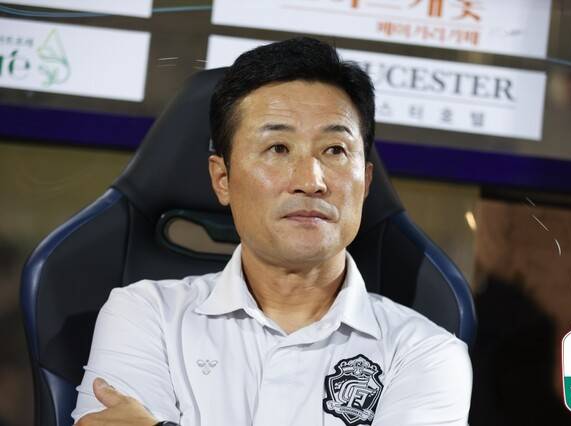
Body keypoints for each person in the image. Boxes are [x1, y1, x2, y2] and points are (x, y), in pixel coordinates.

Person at [72, 37, 472, 426]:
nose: (311, 181)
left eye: (335, 150)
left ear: (366, 181)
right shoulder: (147, 316)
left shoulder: (425, 353)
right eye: (278, 148)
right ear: (223, 179)